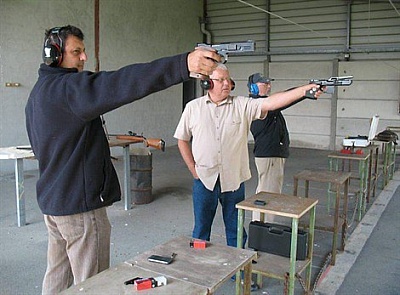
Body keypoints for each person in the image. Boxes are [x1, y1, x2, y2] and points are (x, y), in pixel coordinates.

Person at [25, 25, 220, 294]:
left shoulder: (38, 93)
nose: (83, 58)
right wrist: (183, 64)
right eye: (76, 52)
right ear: (55, 55)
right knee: (92, 284)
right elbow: (124, 82)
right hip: (79, 209)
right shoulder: (70, 89)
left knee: (57, 276)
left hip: (53, 204)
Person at [173, 63, 322, 250]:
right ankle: (199, 270)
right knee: (201, 230)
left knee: (235, 230)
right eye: (221, 80)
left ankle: (239, 274)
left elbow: (271, 102)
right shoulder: (193, 108)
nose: (227, 83)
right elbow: (182, 139)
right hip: (204, 179)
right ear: (207, 83)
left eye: (228, 79)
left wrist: (303, 90)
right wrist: (192, 168)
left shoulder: (242, 105)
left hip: (233, 181)